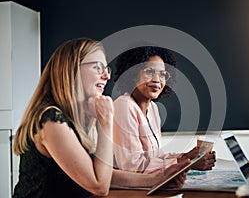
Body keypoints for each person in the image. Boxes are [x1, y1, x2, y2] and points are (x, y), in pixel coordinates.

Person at [12, 38, 190, 198]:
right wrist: (105, 122)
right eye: (98, 67)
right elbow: (99, 185)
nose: (106, 76)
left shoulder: (74, 119)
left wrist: (158, 179)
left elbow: (104, 173)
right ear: (71, 69)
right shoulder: (51, 120)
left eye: (106, 69)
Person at [113, 46, 216, 174]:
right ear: (132, 74)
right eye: (149, 72)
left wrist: (186, 156)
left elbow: (155, 158)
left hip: (147, 185)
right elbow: (132, 167)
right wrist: (186, 163)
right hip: (126, 191)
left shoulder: (153, 109)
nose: (157, 79)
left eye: (163, 74)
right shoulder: (123, 106)